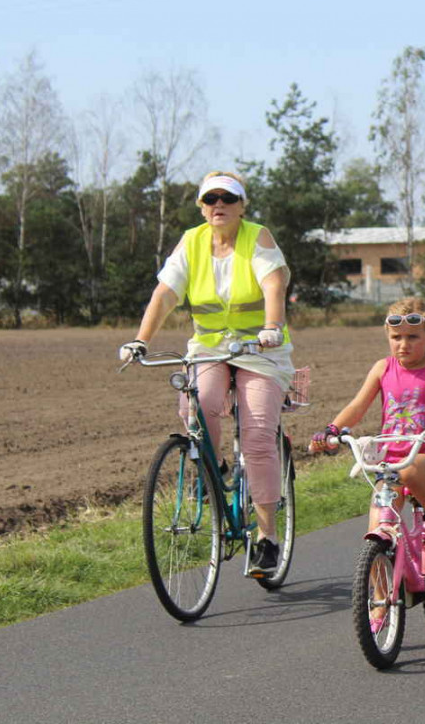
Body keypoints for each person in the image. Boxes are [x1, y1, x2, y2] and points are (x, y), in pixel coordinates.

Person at [118, 171, 295, 575]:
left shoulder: (257, 237)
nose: (219, 205)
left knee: (257, 435)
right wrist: (141, 340)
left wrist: (271, 326)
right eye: (210, 199)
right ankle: (216, 470)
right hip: (210, 348)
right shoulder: (192, 241)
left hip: (259, 349)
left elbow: (273, 285)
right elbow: (165, 294)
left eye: (228, 199)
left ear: (242, 206)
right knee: (198, 407)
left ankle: (267, 538)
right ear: (201, 207)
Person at [308, 297, 425, 562]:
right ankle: (380, 585)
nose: (403, 344)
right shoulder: (383, 368)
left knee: (409, 471)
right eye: (396, 337)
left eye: (413, 337)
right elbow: (357, 406)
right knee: (378, 525)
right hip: (389, 461)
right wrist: (332, 429)